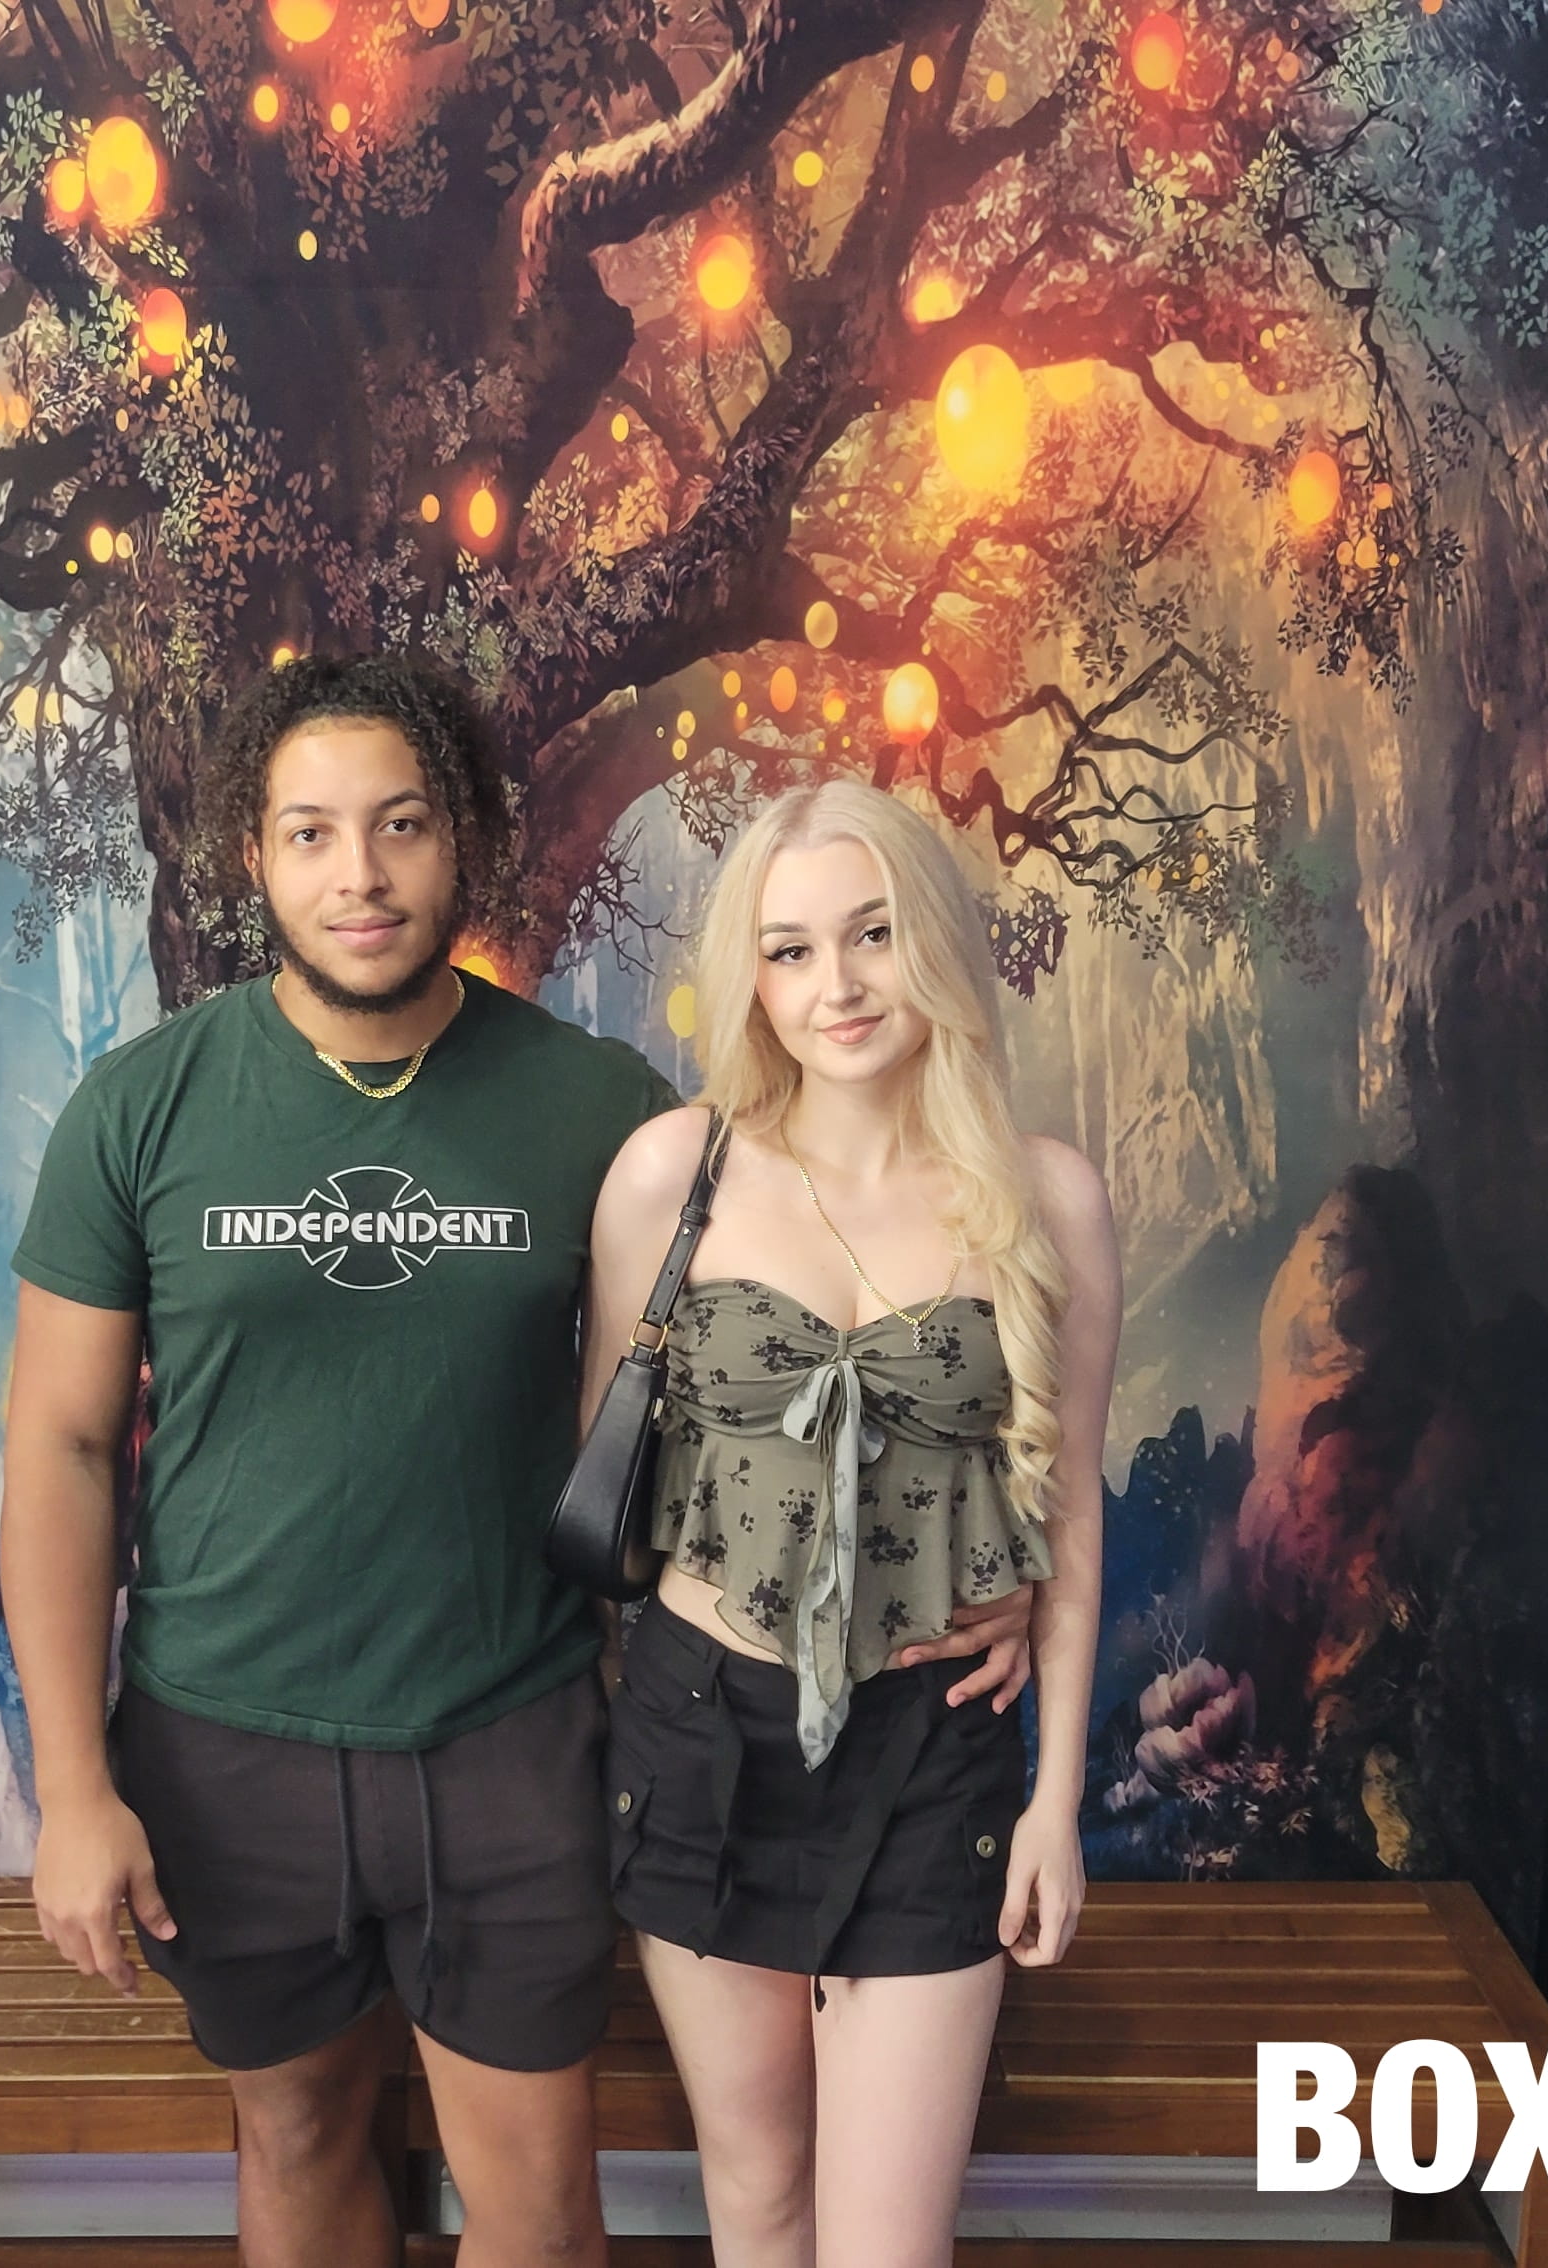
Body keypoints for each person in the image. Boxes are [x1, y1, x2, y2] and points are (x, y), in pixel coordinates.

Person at [1, 655, 1026, 2268]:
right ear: (253, 855)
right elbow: (61, 1448)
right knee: (295, 2137)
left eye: (400, 824)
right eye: (311, 832)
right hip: (224, 1741)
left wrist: (971, 1563)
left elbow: (783, 1342)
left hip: (512, 1734)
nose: (358, 874)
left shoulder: (596, 1111)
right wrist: (72, 1788)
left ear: (461, 838)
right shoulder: (141, 1110)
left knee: (541, 2206)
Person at [580, 779, 1112, 2268]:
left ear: (930, 940)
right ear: (750, 977)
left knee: (888, 2245)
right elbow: (613, 1482)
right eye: (792, 949)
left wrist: (1056, 1803)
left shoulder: (1047, 1199)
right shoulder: (671, 1175)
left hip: (933, 1747)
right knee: (757, 2201)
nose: (840, 985)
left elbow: (1069, 1513)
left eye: (873, 935)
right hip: (702, 1736)